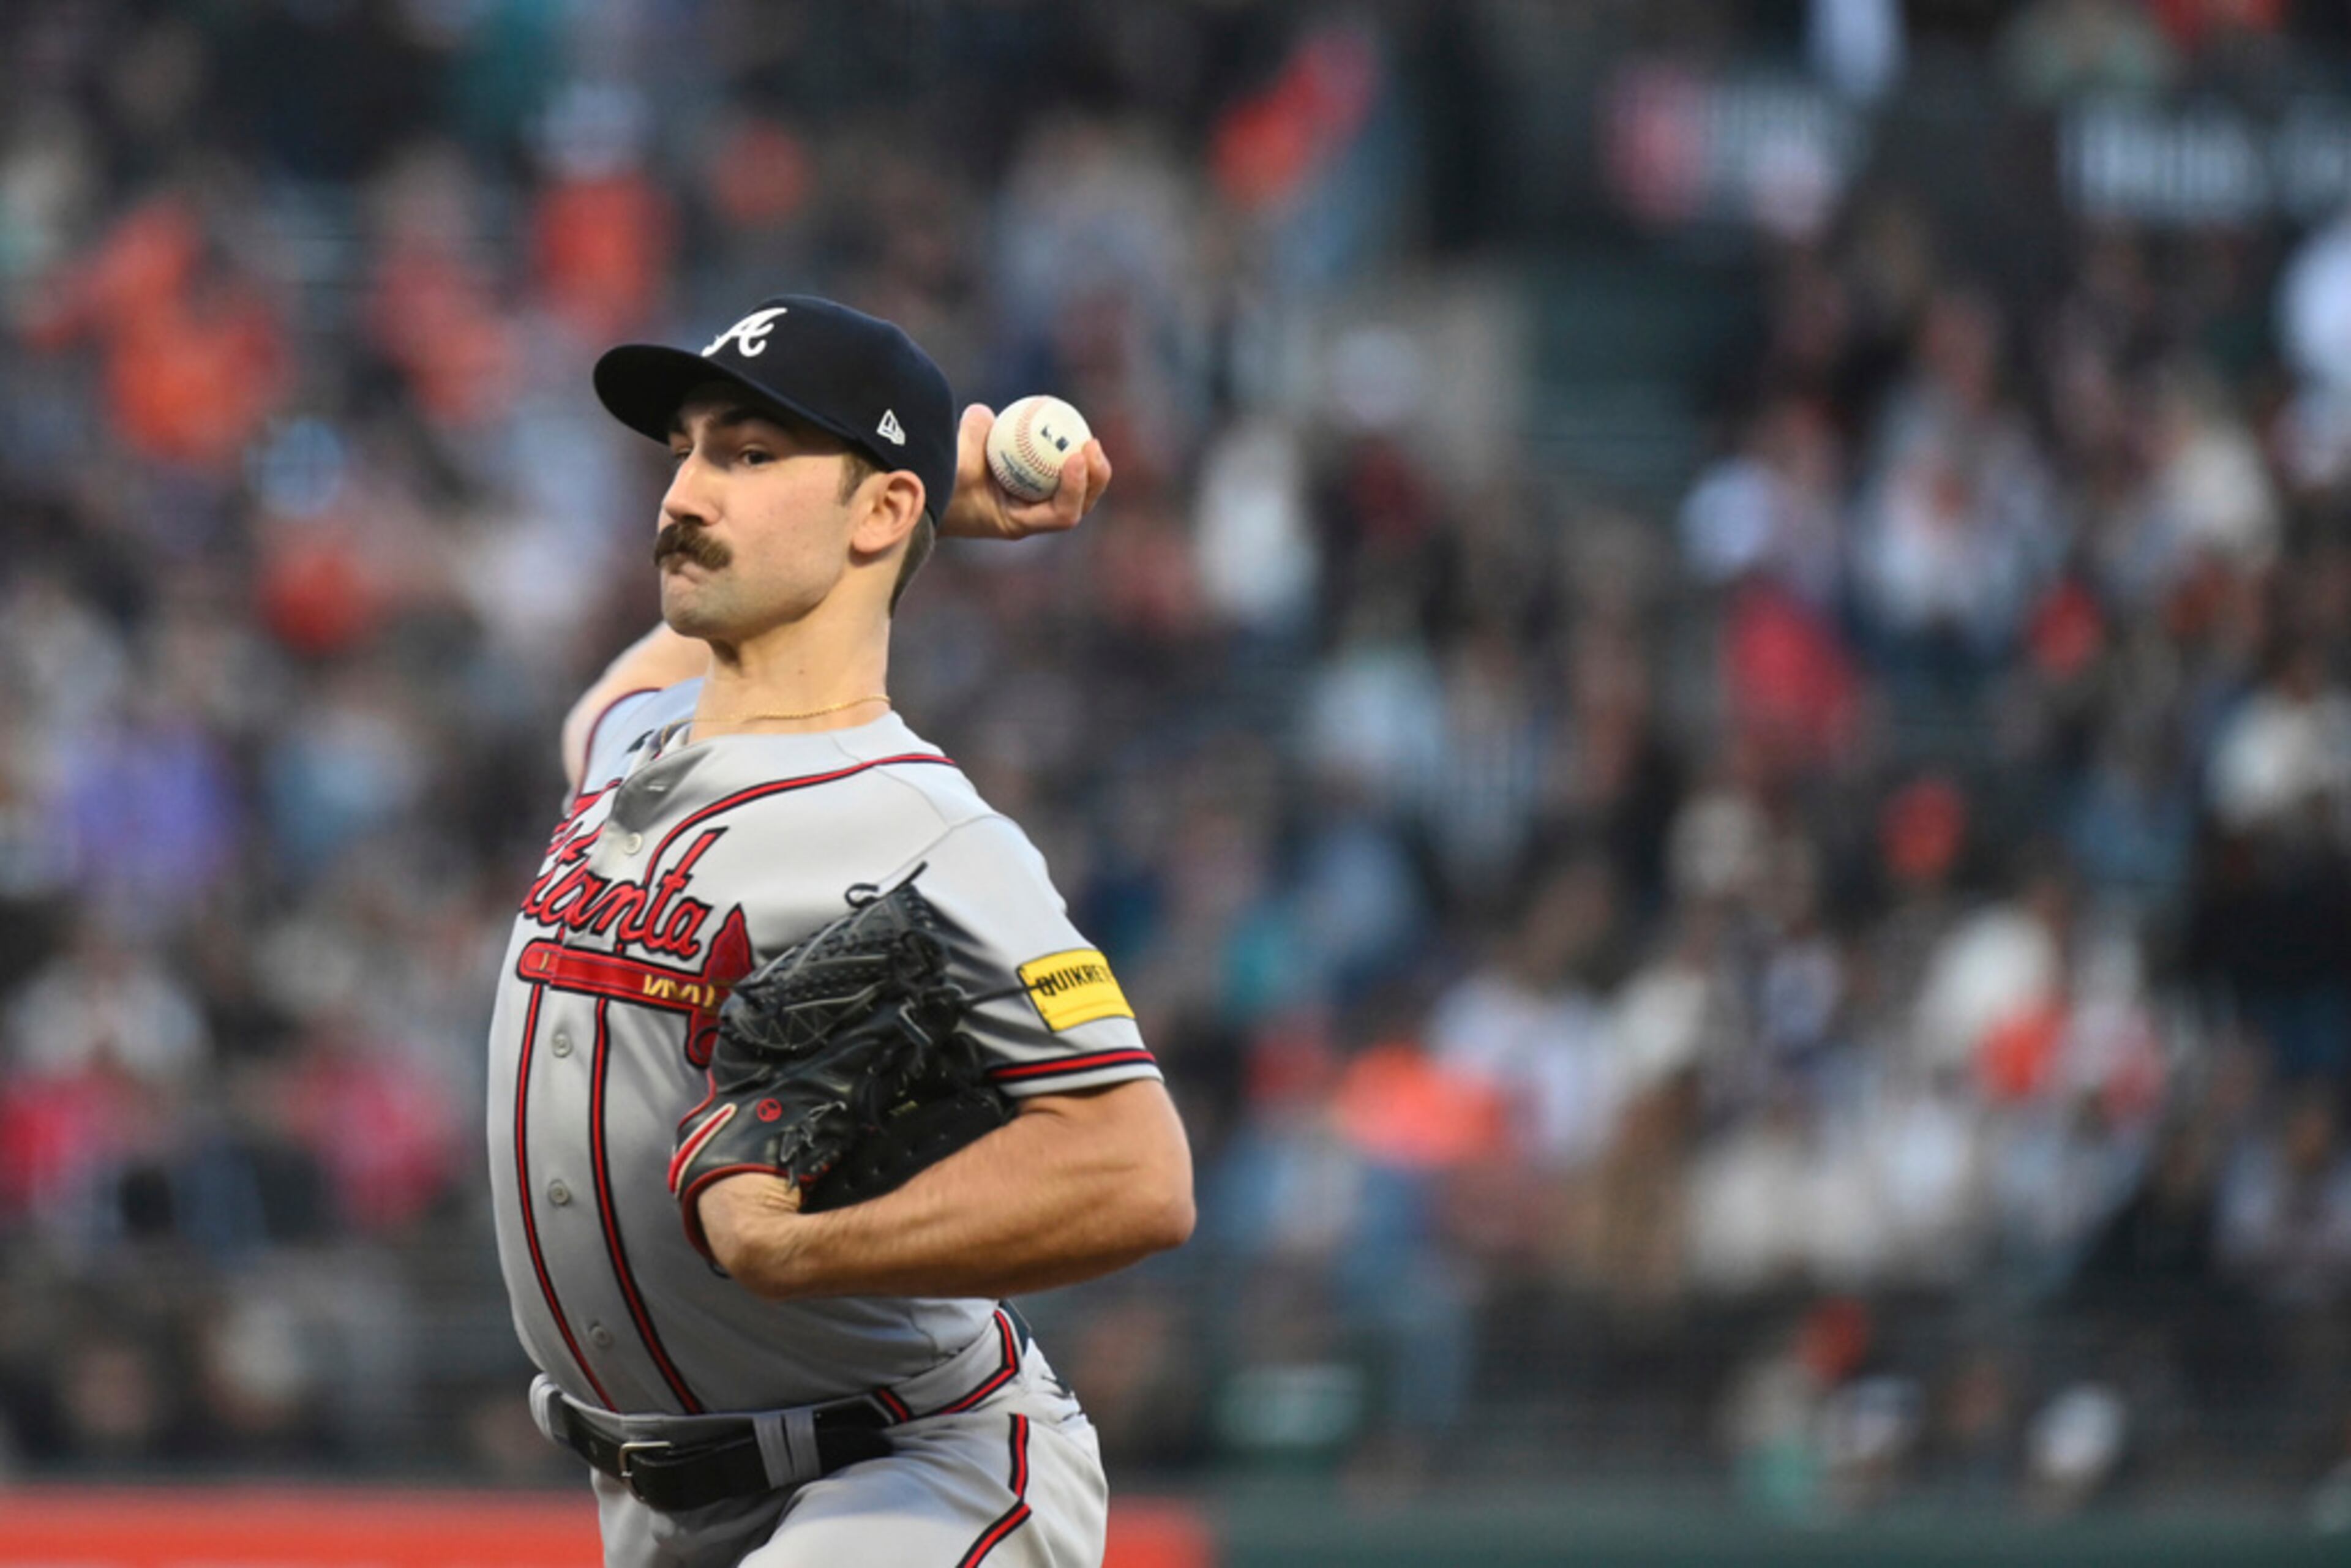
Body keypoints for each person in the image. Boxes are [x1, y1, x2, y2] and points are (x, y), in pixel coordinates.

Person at [485, 294, 1194, 1568]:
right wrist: (936, 513)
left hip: (913, 1474)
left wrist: (803, 1249)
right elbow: (607, 700)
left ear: (877, 511)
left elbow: (1139, 1172)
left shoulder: (927, 831)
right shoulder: (641, 750)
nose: (688, 495)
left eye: (751, 456)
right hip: (661, 1508)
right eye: (688, 451)